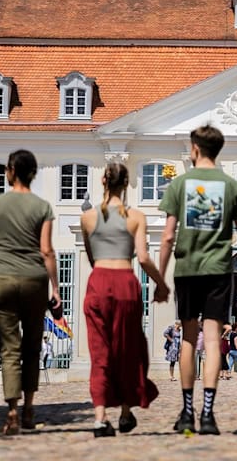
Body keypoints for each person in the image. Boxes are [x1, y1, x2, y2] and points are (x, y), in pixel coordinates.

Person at [158, 124, 237, 435]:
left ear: (195, 149)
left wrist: (160, 276)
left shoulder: (179, 183)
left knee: (188, 338)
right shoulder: (230, 185)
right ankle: (208, 415)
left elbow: (168, 235)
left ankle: (187, 414)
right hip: (219, 270)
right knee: (212, 341)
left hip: (187, 269)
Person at [80, 161, 169, 438]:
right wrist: (161, 284)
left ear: (103, 181)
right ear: (127, 183)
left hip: (98, 282)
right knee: (127, 347)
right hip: (126, 283)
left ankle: (99, 417)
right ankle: (126, 411)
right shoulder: (136, 217)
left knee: (100, 351)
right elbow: (143, 258)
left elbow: (91, 256)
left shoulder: (87, 218)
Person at [0, 149, 62, 435]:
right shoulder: (42, 207)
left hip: (1, 278)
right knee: (32, 348)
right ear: (33, 173)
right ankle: (29, 408)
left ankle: (12, 411)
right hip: (33, 280)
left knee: (9, 349)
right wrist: (56, 288)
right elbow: (47, 251)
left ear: (11, 170)